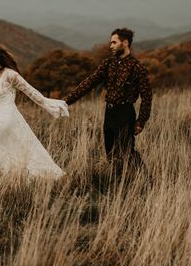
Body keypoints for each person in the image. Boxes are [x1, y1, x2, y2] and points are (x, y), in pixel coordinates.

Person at [0, 42, 68, 184]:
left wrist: (51, 104)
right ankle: (10, 180)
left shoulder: (10, 75)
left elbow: (31, 92)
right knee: (12, 152)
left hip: (5, 119)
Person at [64, 28, 152, 173]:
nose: (110, 46)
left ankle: (144, 181)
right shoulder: (108, 64)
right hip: (109, 113)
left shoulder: (137, 67)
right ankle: (117, 184)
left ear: (125, 43)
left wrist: (141, 121)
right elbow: (89, 82)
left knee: (127, 152)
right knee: (111, 154)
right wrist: (67, 101)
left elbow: (147, 96)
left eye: (114, 42)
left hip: (125, 113)